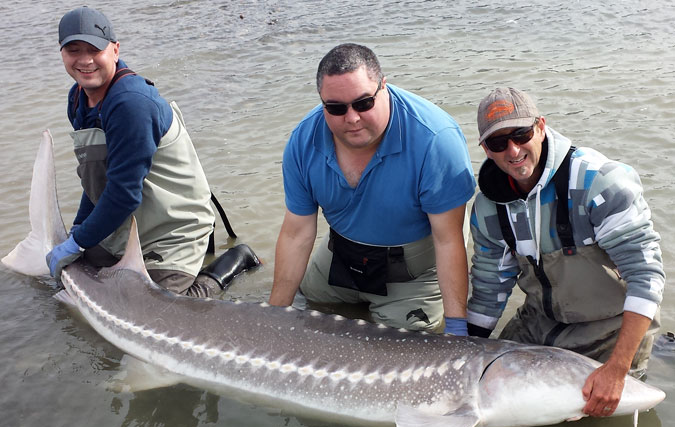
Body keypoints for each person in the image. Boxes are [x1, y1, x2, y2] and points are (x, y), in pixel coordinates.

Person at [467, 87, 665, 417]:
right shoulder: (488, 207)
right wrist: (462, 348)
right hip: (538, 323)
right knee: (477, 398)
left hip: (611, 329)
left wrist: (617, 369)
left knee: (598, 421)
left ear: (541, 127)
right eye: (498, 143)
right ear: (486, 148)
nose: (513, 150)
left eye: (521, 134)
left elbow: (646, 278)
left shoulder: (598, 182)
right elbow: (489, 288)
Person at [269, 43, 476, 334]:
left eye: (363, 103)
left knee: (407, 345)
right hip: (343, 255)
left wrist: (456, 329)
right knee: (306, 302)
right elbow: (297, 233)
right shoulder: (303, 140)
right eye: (336, 108)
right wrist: (274, 317)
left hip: (412, 272)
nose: (352, 118)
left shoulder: (436, 140)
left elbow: (448, 242)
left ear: (384, 87)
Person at [47, 6, 250, 297]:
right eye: (73, 50)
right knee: (71, 279)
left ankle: (232, 262)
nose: (85, 60)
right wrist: (80, 228)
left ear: (115, 50)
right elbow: (96, 177)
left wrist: (78, 241)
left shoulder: (132, 104)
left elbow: (123, 194)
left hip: (173, 229)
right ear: (62, 53)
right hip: (130, 220)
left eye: (94, 49)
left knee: (158, 309)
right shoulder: (78, 98)